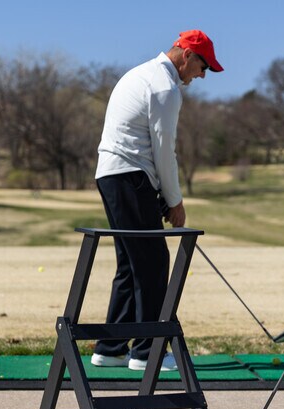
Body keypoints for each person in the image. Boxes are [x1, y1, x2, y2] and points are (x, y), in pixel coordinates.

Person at [90, 30, 223, 370]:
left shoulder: (141, 73)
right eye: (203, 66)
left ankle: (111, 348)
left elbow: (148, 147)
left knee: (131, 262)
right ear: (187, 55)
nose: (203, 75)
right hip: (129, 175)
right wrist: (175, 201)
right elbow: (164, 151)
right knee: (153, 262)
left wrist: (159, 194)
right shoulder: (164, 88)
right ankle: (147, 351)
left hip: (113, 174)